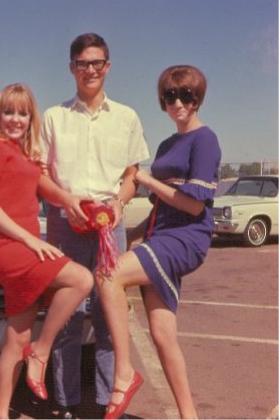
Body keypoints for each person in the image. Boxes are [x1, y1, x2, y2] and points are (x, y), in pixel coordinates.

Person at [96, 65, 222, 419]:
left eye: (186, 95)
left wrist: (147, 180)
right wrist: (132, 238)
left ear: (198, 99)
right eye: (170, 96)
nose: (178, 103)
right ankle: (189, 415)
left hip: (187, 237)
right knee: (162, 336)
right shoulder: (168, 144)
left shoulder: (205, 139)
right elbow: (159, 208)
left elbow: (194, 204)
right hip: (160, 235)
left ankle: (123, 372)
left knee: (108, 275)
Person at [40, 33, 150, 418]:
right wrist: (65, 201)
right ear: (71, 68)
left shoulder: (127, 117)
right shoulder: (53, 117)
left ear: (108, 66)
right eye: (82, 63)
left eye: (97, 63)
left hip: (108, 228)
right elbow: (41, 175)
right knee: (67, 316)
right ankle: (66, 405)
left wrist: (119, 202)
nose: (90, 70)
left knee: (109, 318)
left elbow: (133, 174)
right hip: (64, 224)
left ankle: (107, 402)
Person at [0, 83, 94, 420]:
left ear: (30, 117)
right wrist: (30, 240)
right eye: (9, 111)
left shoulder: (24, 152)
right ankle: (41, 353)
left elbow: (46, 189)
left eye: (23, 113)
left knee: (17, 336)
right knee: (81, 279)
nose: (15, 119)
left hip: (23, 243)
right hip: (5, 245)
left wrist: (71, 200)